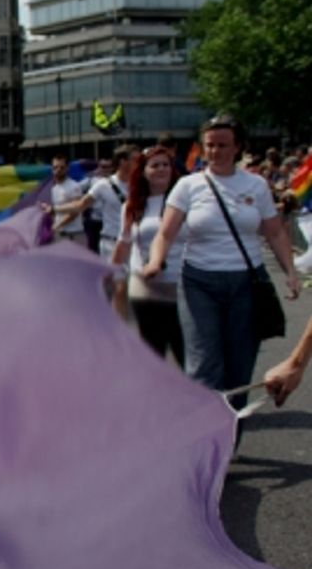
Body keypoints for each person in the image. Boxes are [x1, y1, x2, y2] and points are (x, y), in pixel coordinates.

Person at [144, 116, 299, 411]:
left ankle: (228, 438)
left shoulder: (256, 185)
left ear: (238, 147)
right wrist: (155, 262)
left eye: (222, 145)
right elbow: (166, 233)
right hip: (198, 283)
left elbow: (276, 232)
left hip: (246, 283)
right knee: (204, 365)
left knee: (239, 368)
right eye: (209, 145)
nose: (215, 152)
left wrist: (290, 272)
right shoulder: (188, 186)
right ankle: (206, 440)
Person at [111, 146, 185, 366]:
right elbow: (123, 244)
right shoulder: (132, 206)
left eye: (166, 164)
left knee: (186, 354)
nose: (161, 169)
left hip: (181, 286)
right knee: (152, 354)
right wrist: (108, 272)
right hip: (145, 288)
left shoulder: (185, 200)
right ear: (143, 171)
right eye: (155, 165)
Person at [55, 146, 139, 261]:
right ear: (123, 162)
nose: (139, 163)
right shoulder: (103, 185)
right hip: (110, 244)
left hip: (134, 245)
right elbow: (80, 205)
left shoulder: (141, 185)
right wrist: (54, 209)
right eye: (135, 159)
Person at [47, 155, 87, 244]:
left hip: (74, 234)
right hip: (60, 235)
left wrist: (57, 225)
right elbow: (58, 211)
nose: (58, 170)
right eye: (55, 167)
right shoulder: (54, 189)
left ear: (67, 169)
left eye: (62, 167)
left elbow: (76, 211)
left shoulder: (73, 186)